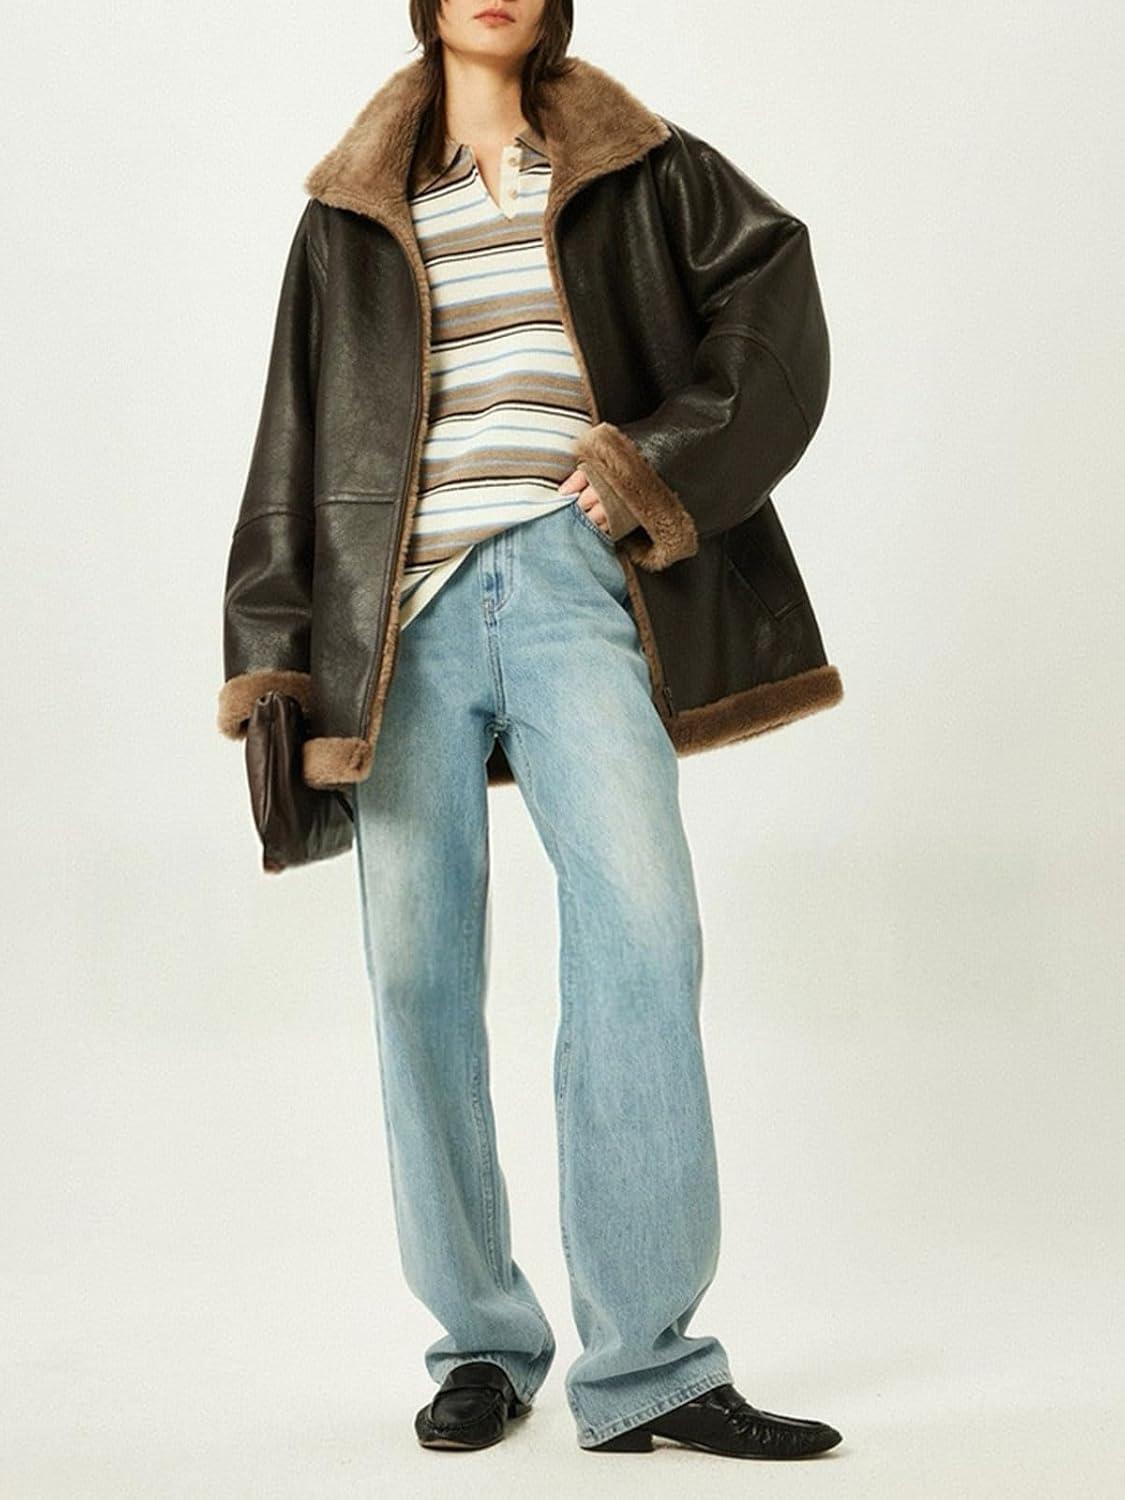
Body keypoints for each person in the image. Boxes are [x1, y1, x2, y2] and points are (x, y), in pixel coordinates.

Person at [217, 0, 845, 1460]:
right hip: (400, 618)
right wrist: (271, 660)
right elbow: (291, 445)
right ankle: (483, 1344)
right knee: (417, 974)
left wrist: (648, 466)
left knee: (645, 934)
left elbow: (775, 306)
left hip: (576, 581)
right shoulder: (350, 212)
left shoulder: (642, 166)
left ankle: (648, 1367)